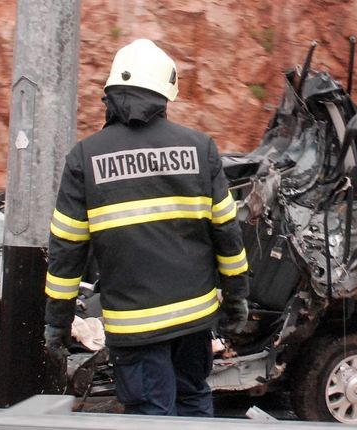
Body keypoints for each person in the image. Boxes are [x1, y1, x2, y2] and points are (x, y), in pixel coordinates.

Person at [43, 39, 251, 416]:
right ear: (164, 95)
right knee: (193, 400)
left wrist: (57, 324)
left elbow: (66, 251)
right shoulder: (200, 149)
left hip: (135, 326)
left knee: (150, 415)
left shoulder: (85, 158)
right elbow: (227, 234)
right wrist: (236, 298)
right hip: (194, 321)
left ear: (110, 94)